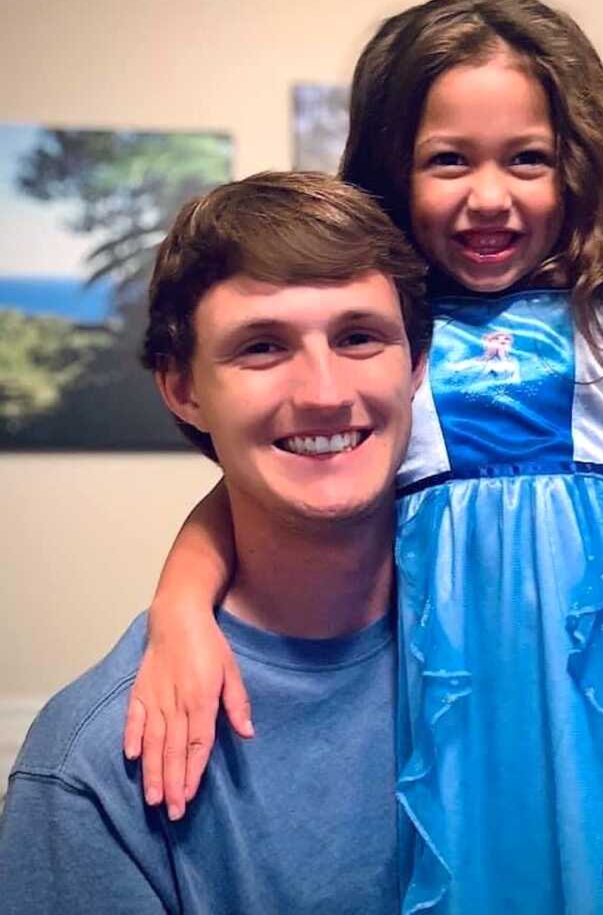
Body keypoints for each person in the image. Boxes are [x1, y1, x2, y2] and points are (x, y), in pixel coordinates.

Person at [125, 0, 603, 913]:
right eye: (448, 160)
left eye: (526, 160)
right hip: (475, 680)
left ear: (573, 167)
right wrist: (180, 612)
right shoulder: (379, 339)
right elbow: (239, 499)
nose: (489, 196)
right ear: (391, 166)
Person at [0, 171, 431, 913]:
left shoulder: (515, 649)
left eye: (359, 336)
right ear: (182, 388)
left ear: (417, 364)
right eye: (262, 347)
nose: (325, 391)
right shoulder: (96, 771)